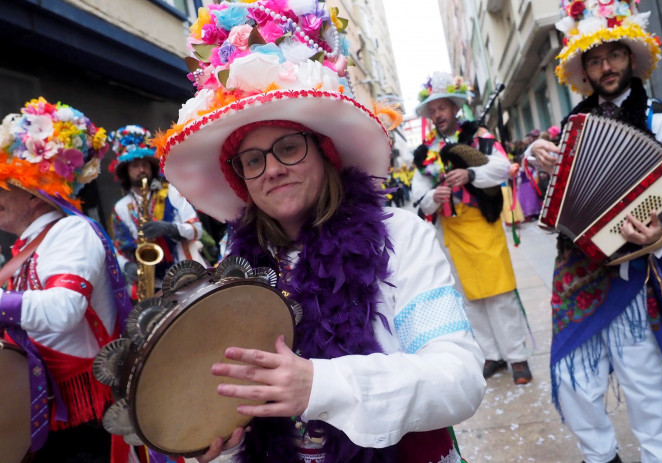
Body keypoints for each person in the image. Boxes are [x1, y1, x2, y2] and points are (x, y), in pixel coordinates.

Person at [152, 2, 486, 462]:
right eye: (253, 160)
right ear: (241, 180)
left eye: (288, 147)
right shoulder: (234, 268)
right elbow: (231, 400)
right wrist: (222, 439)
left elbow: (460, 379)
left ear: (325, 153)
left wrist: (318, 385)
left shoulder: (400, 236)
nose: (271, 170)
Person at [527, 2, 662, 462]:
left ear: (631, 57)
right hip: (576, 267)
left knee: (644, 383)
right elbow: (558, 196)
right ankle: (601, 457)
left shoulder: (657, 118)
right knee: (573, 383)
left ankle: (661, 456)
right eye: (595, 59)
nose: (605, 66)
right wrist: (539, 163)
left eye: (614, 55)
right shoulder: (572, 125)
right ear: (584, 69)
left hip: (636, 272)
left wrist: (657, 232)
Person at [0, 97, 131, 462]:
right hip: (48, 410)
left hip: (80, 420)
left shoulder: (71, 231)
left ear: (36, 196)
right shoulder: (31, 243)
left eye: (5, 185)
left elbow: (63, 310)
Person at [411, 71, 533, 384]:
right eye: (433, 110)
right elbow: (418, 196)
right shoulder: (426, 152)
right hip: (450, 231)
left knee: (500, 293)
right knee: (469, 298)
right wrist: (432, 197)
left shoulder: (479, 137)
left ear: (455, 109)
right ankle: (492, 354)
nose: (438, 114)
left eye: (443, 108)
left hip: (482, 224)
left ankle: (517, 356)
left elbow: (502, 167)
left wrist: (470, 176)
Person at [108, 125, 207, 299]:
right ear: (126, 171)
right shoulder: (121, 208)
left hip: (190, 275)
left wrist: (170, 228)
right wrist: (126, 266)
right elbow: (119, 249)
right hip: (154, 286)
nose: (141, 170)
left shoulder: (172, 192)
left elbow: (198, 230)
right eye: (135, 166)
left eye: (145, 164)